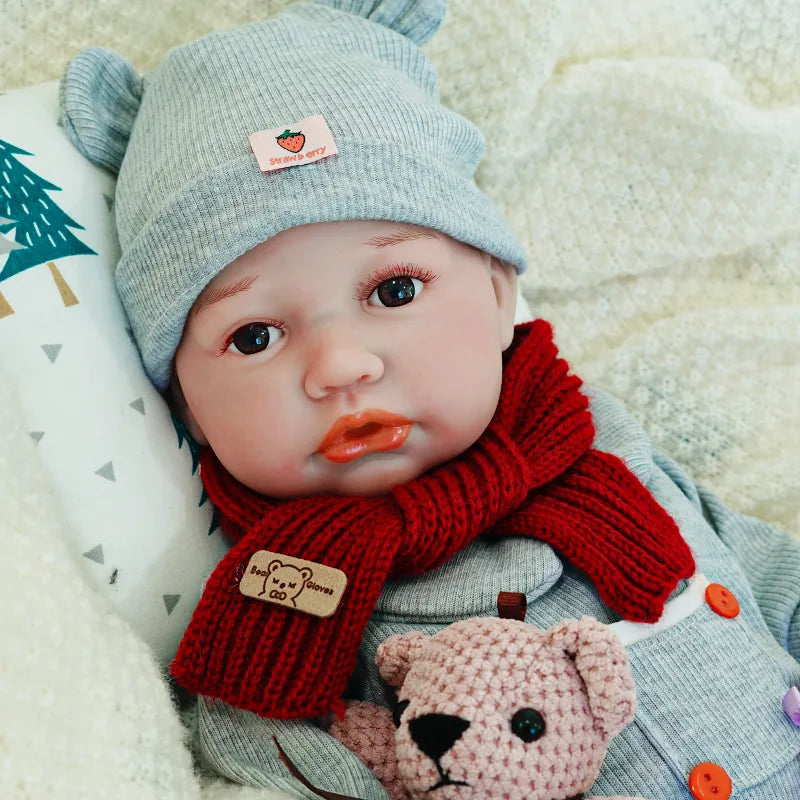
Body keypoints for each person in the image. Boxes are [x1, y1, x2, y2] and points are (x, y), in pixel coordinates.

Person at [59, 1, 800, 797]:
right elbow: (258, 744)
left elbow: (745, 554)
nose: (339, 365)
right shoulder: (284, 590)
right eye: (254, 337)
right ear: (189, 411)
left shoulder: (590, 438)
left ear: (494, 292)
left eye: (395, 288)